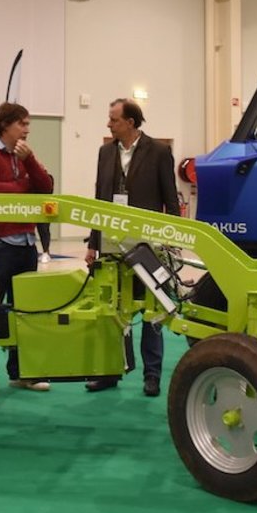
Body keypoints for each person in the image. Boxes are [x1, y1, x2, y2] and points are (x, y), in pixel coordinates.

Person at [84, 99, 177, 397]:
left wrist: (173, 238)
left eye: (113, 120)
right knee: (112, 310)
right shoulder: (104, 152)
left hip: (148, 245)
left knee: (151, 311)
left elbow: (170, 199)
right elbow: (99, 199)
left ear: (131, 123)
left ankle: (152, 375)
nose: (108, 124)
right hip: (112, 244)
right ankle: (110, 372)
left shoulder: (160, 152)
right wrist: (94, 242)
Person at [0, 102, 54, 399]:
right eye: (23, 124)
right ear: (5, 125)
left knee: (25, 313)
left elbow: (45, 187)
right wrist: (23, 187)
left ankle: (22, 373)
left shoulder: (24, 156)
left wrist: (29, 164)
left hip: (27, 244)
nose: (27, 130)